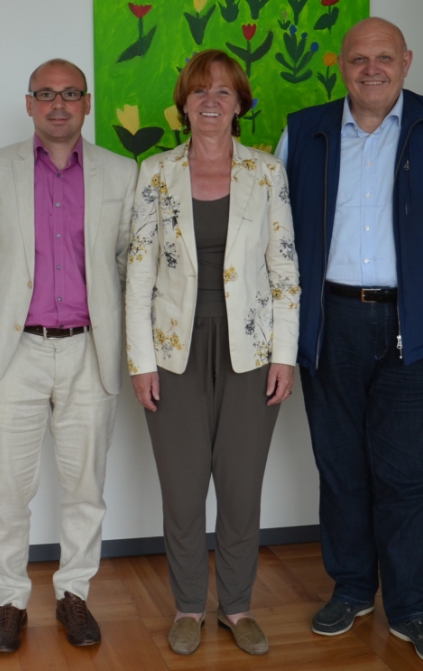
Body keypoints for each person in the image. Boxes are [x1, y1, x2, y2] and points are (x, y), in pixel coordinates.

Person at [275, 18, 423, 668]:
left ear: (406, 61)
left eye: (384, 57)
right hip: (330, 324)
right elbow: (275, 236)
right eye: (359, 59)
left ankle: (411, 609)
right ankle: (352, 589)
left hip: (419, 326)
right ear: (340, 64)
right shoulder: (305, 131)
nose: (371, 69)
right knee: (340, 468)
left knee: (406, 476)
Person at [125, 50, 300, 656]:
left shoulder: (267, 172)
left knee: (241, 487)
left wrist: (285, 356)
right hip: (173, 351)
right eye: (200, 90)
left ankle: (238, 606)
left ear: (239, 104)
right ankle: (188, 608)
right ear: (184, 103)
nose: (210, 101)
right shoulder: (155, 172)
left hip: (251, 350)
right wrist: (140, 362)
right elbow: (137, 275)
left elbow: (285, 270)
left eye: (223, 92)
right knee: (181, 489)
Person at [0, 58, 137, 653]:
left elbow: (124, 261)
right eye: (45, 94)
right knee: (8, 490)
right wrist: (9, 322)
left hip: (89, 350)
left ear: (86, 103)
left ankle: (73, 595)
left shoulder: (120, 172)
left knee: (86, 487)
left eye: (69, 93)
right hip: (15, 353)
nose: (58, 104)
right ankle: (10, 601)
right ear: (30, 103)